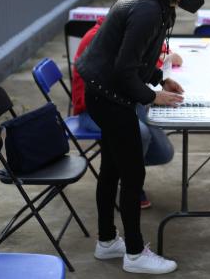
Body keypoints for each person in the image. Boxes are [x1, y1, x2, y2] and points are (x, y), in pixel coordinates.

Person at [75, 0, 207, 275]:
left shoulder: (153, 0)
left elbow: (139, 56)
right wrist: (153, 96)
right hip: (109, 96)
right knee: (132, 176)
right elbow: (123, 69)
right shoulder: (148, 8)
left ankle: (107, 241)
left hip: (105, 92)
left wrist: (161, 78)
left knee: (111, 171)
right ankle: (134, 253)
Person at [71, 17, 182, 209]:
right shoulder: (100, 39)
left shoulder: (124, 35)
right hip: (92, 112)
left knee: (163, 153)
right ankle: (129, 183)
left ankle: (124, 167)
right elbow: (125, 76)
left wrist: (161, 77)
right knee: (141, 134)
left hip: (123, 103)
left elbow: (146, 64)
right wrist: (153, 92)